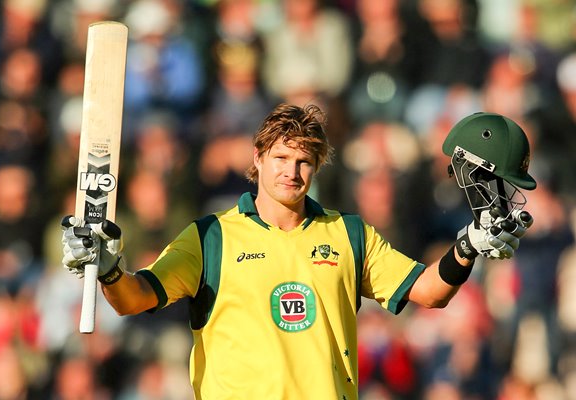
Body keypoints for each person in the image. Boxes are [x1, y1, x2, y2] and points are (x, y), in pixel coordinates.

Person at [61, 104, 535, 399]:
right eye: (282, 158)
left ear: (318, 167)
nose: (292, 171)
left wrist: (468, 246)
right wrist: (106, 268)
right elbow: (133, 298)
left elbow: (429, 292)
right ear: (257, 159)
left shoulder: (349, 234)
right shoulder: (210, 236)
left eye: (305, 161)